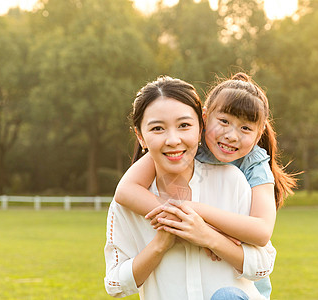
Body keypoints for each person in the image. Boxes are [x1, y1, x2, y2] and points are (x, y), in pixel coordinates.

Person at [114, 73, 297, 299]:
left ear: (259, 133)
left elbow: (261, 232)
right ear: (204, 119)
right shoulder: (180, 147)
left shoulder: (254, 165)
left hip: (246, 284)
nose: (231, 136)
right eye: (224, 122)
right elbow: (125, 191)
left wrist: (197, 214)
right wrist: (180, 224)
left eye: (246, 128)